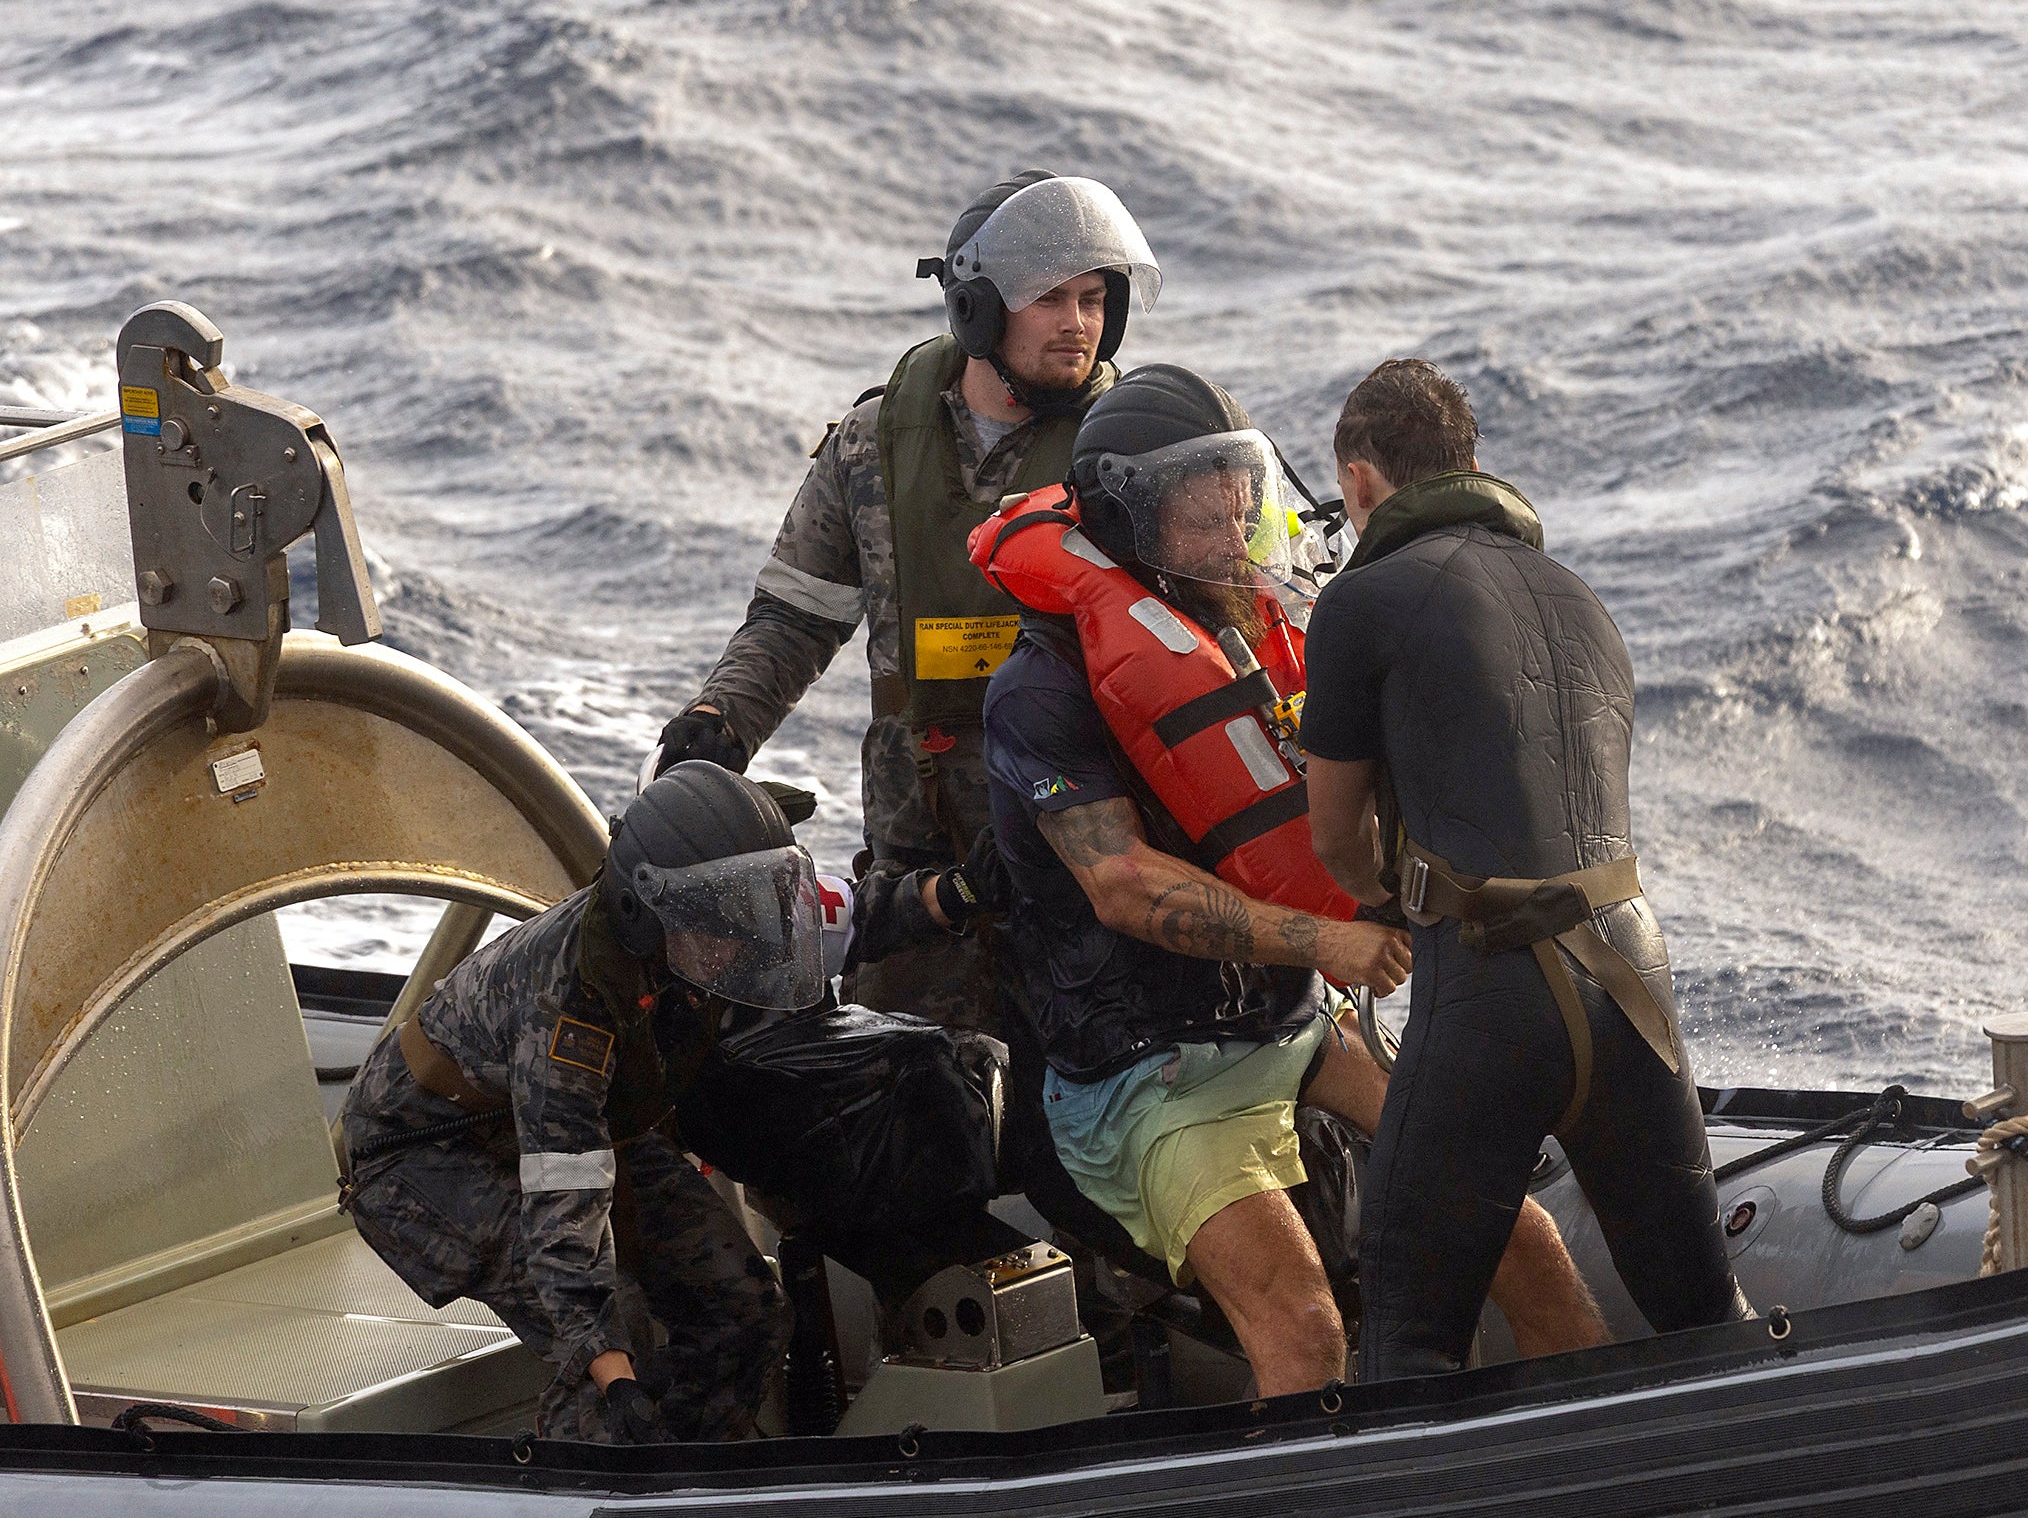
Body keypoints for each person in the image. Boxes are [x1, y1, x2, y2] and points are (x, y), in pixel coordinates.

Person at [968, 366, 1607, 1392]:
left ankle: (1590, 1465)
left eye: (1240, 491)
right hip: (1143, 1069)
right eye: (1197, 506)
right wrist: (1328, 940)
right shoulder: (1037, 693)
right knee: (1304, 1327)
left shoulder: (1259, 638)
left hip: (1291, 1026)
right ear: (1129, 519)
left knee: (1520, 1232)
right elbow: (1122, 886)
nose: (1233, 528)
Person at [651, 168, 1163, 1263]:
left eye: (1093, 298)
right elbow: (794, 618)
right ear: (978, 307)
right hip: (923, 874)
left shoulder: (1136, 452)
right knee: (886, 1131)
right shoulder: (870, 448)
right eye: (1050, 299)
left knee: (1106, 1142)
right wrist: (713, 729)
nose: (1077, 325)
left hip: (1087, 863)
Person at [1298, 358, 1745, 1381]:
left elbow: (1333, 835)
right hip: (1633, 977)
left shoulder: (1363, 598)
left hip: (1492, 989)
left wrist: (1384, 903)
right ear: (1470, 464)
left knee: (1408, 1341)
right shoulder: (1576, 596)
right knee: (1703, 1312)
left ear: (1359, 484)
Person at [339, 761, 810, 1443]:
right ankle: (584, 1495)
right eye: (717, 917)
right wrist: (613, 1373)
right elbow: (564, 1199)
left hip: (571, 1126)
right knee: (604, 1336)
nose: (735, 937)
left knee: (744, 1307)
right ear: (648, 909)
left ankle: (701, 1473)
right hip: (427, 1156)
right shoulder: (570, 1007)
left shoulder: (686, 953)